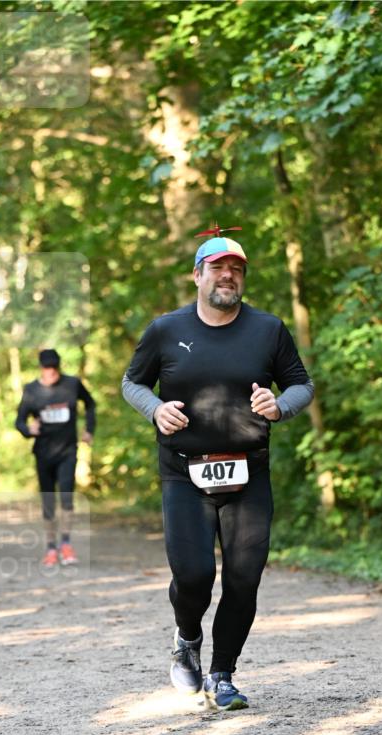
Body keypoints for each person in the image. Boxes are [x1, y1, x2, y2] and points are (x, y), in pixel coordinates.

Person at [122, 232, 314, 710]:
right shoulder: (166, 329)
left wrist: (279, 407)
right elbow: (133, 382)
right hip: (184, 473)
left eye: (237, 270)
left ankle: (222, 673)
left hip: (249, 474)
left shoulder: (268, 329)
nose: (228, 276)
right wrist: (154, 409)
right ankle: (187, 637)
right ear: (198, 275)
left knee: (244, 578)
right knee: (194, 575)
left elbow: (300, 385)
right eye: (218, 268)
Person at [15, 348, 96, 567]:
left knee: (67, 497)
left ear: (59, 366)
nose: (51, 372)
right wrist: (28, 429)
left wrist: (89, 429)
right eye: (47, 368)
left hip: (68, 451)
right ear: (41, 368)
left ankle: (66, 544)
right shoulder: (31, 390)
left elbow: (90, 404)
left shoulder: (72, 384)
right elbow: (19, 421)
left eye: (54, 368)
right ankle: (51, 547)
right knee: (49, 502)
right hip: (43, 453)